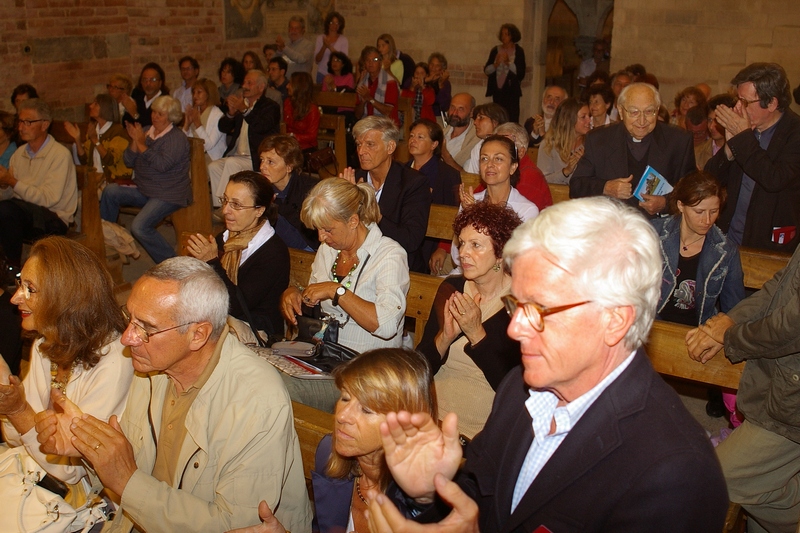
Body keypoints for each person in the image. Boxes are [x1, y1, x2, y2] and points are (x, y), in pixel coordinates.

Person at [370, 196, 728, 533]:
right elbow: (477, 498)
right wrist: (426, 492)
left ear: (615, 320)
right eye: (516, 305)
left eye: (540, 309)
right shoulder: (520, 390)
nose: (515, 328)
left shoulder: (675, 472)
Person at [35, 257, 312, 533]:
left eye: (146, 328)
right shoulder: (151, 370)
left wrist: (128, 484)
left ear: (197, 335)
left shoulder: (256, 401)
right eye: (129, 318)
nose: (127, 338)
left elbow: (235, 525)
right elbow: (132, 468)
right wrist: (87, 449)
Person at [228, 348, 437, 533]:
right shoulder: (329, 455)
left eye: (366, 409)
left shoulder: (427, 504)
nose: (342, 416)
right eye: (345, 398)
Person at [1, 237, 133, 508]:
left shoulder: (115, 361)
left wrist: (18, 411)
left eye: (30, 289)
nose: (16, 298)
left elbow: (74, 471)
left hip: (91, 500)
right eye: (19, 284)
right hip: (37, 479)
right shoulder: (44, 345)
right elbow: (14, 436)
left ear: (65, 296)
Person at [687, 224, 800, 532]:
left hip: (792, 401)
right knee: (761, 495)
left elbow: (790, 327)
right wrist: (731, 318)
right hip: (781, 385)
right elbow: (782, 285)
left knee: (721, 477)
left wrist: (732, 336)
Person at [280, 178, 409, 411]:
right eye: (318, 229)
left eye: (328, 229)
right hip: (326, 360)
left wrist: (335, 290)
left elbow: (387, 325)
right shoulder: (329, 249)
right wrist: (296, 294)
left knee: (280, 388)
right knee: (259, 370)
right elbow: (315, 299)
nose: (321, 237)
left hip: (369, 375)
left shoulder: (389, 255)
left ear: (353, 221)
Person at [418, 202, 522, 438]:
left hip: (473, 434)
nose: (463, 252)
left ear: (501, 252)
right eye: (462, 243)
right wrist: (444, 338)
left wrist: (477, 334)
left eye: (475, 245)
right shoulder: (451, 288)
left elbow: (513, 390)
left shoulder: (520, 305)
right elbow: (419, 368)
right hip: (427, 418)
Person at [652, 171, 745, 423]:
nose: (707, 220)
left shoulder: (724, 250)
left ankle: (717, 392)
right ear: (680, 205)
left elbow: (735, 306)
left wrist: (720, 332)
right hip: (654, 321)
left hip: (697, 325)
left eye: (714, 211)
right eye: (699, 211)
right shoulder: (653, 233)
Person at [704, 62, 800, 252]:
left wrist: (742, 137)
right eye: (737, 99)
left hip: (769, 245)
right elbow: (709, 178)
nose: (739, 107)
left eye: (746, 102)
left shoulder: (794, 133)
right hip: (729, 237)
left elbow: (774, 179)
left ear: (772, 103)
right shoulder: (744, 132)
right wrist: (730, 150)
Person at [570, 82, 696, 218]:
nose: (642, 121)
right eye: (634, 112)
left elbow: (692, 190)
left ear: (657, 110)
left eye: (649, 111)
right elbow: (577, 186)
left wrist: (665, 203)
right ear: (621, 111)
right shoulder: (599, 140)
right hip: (611, 226)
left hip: (660, 230)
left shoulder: (678, 140)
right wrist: (606, 187)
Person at [187, 170, 288, 337]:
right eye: (225, 200)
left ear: (259, 210)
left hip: (256, 328)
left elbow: (237, 306)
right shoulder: (225, 238)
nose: (226, 210)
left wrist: (212, 262)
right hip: (221, 319)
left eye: (236, 205)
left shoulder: (273, 252)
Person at [101, 95, 190, 263]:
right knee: (110, 191)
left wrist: (141, 144)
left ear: (171, 117)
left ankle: (172, 263)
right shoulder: (148, 131)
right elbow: (128, 161)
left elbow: (162, 165)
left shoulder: (177, 138)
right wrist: (135, 142)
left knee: (139, 226)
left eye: (160, 114)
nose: (155, 117)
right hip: (145, 189)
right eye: (154, 112)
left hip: (169, 194)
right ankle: (111, 240)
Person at [0, 99, 77, 270]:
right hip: (25, 216)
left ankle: (13, 269)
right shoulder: (19, 154)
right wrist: (5, 185)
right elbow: (10, 196)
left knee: (6, 211)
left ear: (44, 125)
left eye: (28, 122)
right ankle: (5, 266)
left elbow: (49, 199)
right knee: (6, 210)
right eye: (20, 121)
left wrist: (13, 182)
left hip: (54, 219)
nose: (21, 127)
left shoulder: (59, 155)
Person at [349, 116, 431, 272]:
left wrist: (373, 212)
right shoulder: (353, 179)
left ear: (390, 147)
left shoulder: (413, 183)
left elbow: (410, 240)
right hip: (359, 262)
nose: (361, 151)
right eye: (359, 144)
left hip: (399, 266)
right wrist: (345, 201)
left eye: (370, 145)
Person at [211, 69, 281, 212]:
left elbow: (261, 126)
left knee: (231, 163)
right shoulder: (242, 104)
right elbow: (223, 127)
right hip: (237, 154)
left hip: (256, 157)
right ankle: (219, 205)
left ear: (261, 87)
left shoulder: (270, 106)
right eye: (244, 82)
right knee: (214, 166)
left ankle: (225, 207)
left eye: (250, 83)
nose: (245, 86)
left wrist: (245, 111)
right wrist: (231, 113)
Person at [407, 118, 461, 273]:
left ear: (434, 144)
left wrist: (443, 248)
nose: (413, 140)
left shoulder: (448, 175)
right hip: (405, 238)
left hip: (431, 242)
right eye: (411, 136)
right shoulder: (401, 170)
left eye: (420, 137)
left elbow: (454, 215)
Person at [258, 135, 319, 251]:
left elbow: (306, 236)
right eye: (262, 160)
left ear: (289, 167)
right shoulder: (262, 187)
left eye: (270, 162)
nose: (262, 167)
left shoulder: (310, 189)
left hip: (307, 247)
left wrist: (270, 209)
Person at [65, 93, 132, 185]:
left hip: (113, 182)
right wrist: (77, 139)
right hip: (95, 179)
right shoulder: (94, 128)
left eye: (95, 104)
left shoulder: (118, 132)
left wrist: (95, 140)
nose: (91, 106)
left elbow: (110, 160)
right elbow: (84, 160)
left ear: (105, 108)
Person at [495, 121, 552, 210]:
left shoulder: (529, 176)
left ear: (521, 152)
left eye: (504, 149)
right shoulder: (497, 169)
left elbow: (515, 215)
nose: (496, 154)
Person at [538, 98, 591, 185]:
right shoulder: (548, 145)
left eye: (589, 116)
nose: (589, 120)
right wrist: (566, 171)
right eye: (583, 117)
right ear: (569, 120)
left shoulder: (590, 144)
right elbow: (541, 180)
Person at [484, 23, 526, 122]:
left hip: (512, 91)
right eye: (502, 34)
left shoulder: (518, 51)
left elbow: (520, 73)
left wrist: (507, 62)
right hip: (498, 90)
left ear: (512, 36)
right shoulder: (495, 50)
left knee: (512, 118)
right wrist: (496, 64)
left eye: (506, 34)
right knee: (497, 117)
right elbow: (487, 70)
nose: (503, 37)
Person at [182, 78, 226, 162]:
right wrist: (187, 125)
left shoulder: (217, 115)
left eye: (199, 92)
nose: (195, 96)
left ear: (209, 94)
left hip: (212, 159)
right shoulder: (196, 112)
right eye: (194, 92)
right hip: (195, 156)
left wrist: (198, 124)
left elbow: (208, 145)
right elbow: (184, 143)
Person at [355, 45, 399, 124]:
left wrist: (369, 98)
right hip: (367, 123)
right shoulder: (362, 83)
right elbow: (357, 115)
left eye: (374, 60)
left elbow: (387, 112)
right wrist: (363, 102)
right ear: (364, 63)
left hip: (386, 124)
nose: (370, 63)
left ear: (380, 62)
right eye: (367, 60)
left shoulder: (390, 82)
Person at [462, 103, 508, 174]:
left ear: (495, 122)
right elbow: (473, 178)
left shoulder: (508, 145)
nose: (475, 122)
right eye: (475, 118)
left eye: (481, 118)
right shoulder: (478, 147)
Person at [121, 62, 169, 128]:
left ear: (160, 83)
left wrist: (135, 114)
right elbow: (126, 123)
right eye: (145, 80)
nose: (148, 83)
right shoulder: (137, 95)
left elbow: (151, 127)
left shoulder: (165, 101)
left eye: (153, 80)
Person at [441, 93, 480, 171]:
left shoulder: (476, 140)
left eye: (461, 109)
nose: (454, 113)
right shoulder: (442, 133)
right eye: (452, 108)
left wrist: (446, 157)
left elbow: (470, 177)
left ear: (472, 112)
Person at [283, 71, 320, 154]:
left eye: (290, 84)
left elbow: (312, 136)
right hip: (289, 145)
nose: (287, 86)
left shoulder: (312, 109)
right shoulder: (287, 103)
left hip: (306, 148)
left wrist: (293, 136)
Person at [314, 11, 349, 84]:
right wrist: (324, 46)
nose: (334, 25)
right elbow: (317, 60)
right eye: (332, 23)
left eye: (337, 23)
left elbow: (343, 59)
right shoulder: (320, 38)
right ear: (328, 24)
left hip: (337, 75)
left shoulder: (343, 40)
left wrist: (329, 47)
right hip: (322, 74)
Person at [426, 52, 451, 124]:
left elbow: (444, 105)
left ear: (442, 69)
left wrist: (440, 85)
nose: (433, 68)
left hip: (436, 117)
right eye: (431, 64)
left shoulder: (445, 83)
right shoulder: (424, 78)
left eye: (437, 65)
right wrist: (427, 80)